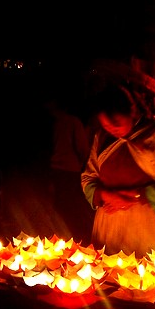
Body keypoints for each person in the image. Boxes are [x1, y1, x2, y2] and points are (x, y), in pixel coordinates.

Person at [81, 84, 155, 256]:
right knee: (107, 275)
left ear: (132, 111)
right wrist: (106, 195)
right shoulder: (101, 138)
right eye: (106, 125)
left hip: (146, 224)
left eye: (116, 123)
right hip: (108, 222)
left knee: (145, 276)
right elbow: (88, 177)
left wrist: (136, 195)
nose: (111, 129)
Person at [45, 96, 93, 243]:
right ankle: (69, 238)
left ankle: (66, 238)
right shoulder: (70, 122)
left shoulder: (59, 122)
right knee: (68, 206)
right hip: (68, 169)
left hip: (61, 169)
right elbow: (82, 147)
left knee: (64, 206)